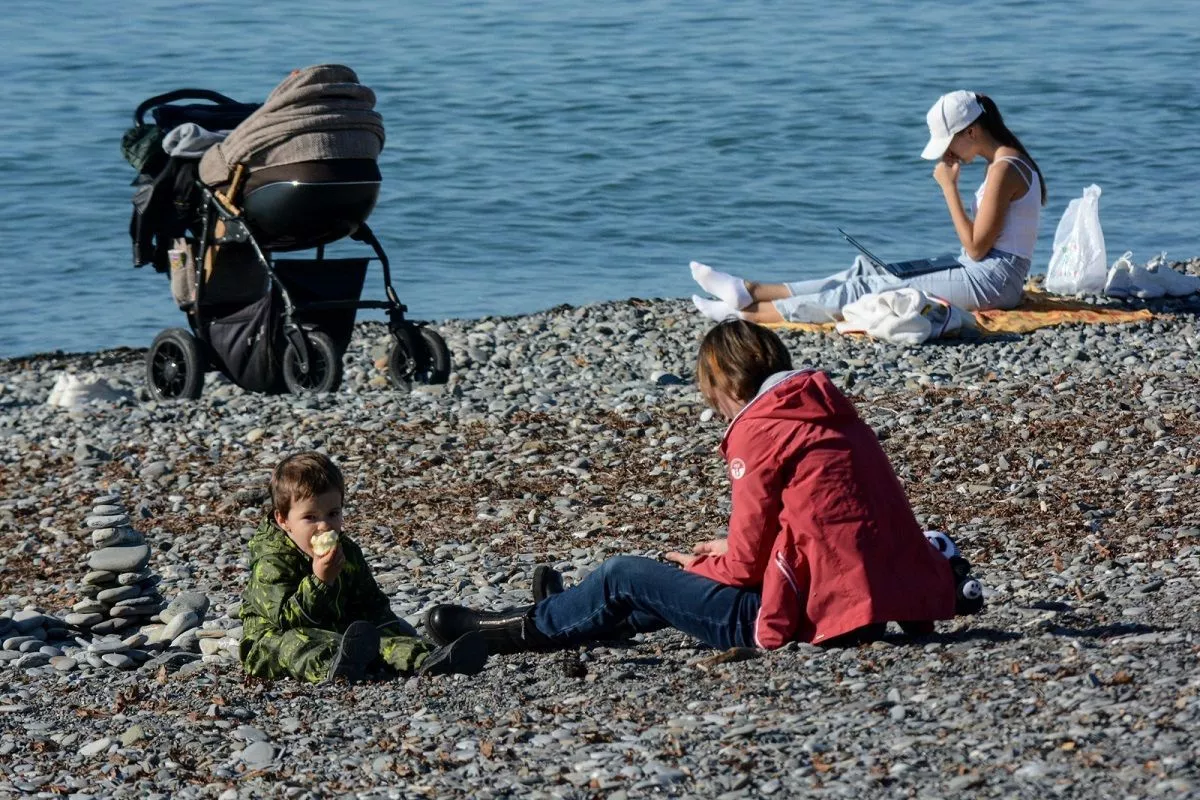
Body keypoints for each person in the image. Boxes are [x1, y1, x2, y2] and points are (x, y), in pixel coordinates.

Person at [423, 321, 981, 657]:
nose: (710, 405)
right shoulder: (831, 414)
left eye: (709, 391)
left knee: (627, 573)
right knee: (659, 585)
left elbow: (742, 569)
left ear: (724, 383)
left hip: (799, 614)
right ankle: (573, 612)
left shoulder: (759, 429)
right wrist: (717, 555)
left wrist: (704, 565)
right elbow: (822, 520)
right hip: (866, 595)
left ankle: (519, 629)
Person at [690, 91, 1046, 324]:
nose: (947, 155)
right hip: (983, 273)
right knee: (866, 270)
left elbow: (976, 246)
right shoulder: (1004, 162)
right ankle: (750, 290)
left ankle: (747, 315)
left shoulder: (1004, 168)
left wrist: (949, 189)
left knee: (867, 290)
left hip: (992, 282)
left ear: (971, 131)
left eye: (948, 144)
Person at [240, 451, 488, 683]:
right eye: (310, 517)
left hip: (345, 635)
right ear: (283, 520)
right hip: (273, 640)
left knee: (382, 637)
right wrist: (320, 581)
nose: (324, 526)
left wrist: (394, 636)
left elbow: (372, 605)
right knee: (294, 644)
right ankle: (336, 667)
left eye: (333, 513)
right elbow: (285, 620)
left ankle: (429, 659)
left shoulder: (347, 551)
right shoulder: (272, 560)